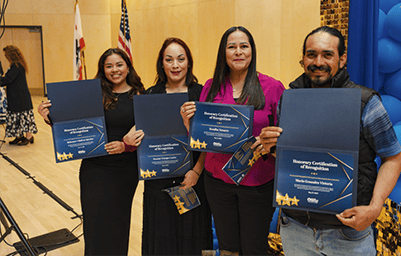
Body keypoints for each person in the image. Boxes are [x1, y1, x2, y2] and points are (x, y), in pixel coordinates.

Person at [259, 26, 401, 256]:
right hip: (295, 228)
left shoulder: (366, 102)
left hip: (348, 232)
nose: (318, 61)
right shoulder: (289, 100)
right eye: (311, 54)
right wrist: (272, 146)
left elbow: (393, 158)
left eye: (327, 54)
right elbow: (292, 158)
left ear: (342, 59)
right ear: (303, 58)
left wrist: (374, 208)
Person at [180, 26, 285, 256]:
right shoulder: (211, 86)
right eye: (232, 47)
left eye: (244, 46)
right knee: (228, 247)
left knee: (254, 248)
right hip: (218, 183)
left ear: (252, 51)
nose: (238, 52)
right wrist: (190, 126)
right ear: (224, 53)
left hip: (258, 184)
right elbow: (203, 138)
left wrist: (271, 140)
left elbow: (286, 135)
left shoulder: (273, 87)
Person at [38, 48, 144, 256]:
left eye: (119, 64)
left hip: (125, 170)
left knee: (118, 221)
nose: (115, 70)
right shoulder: (93, 93)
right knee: (95, 222)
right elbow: (73, 125)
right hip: (95, 168)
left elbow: (145, 130)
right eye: (109, 66)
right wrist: (48, 117)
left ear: (128, 66)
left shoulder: (139, 94)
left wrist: (126, 145)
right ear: (102, 69)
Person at [123, 37, 213, 255]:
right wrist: (129, 139)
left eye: (180, 59)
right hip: (158, 184)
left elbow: (208, 142)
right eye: (169, 59)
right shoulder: (150, 95)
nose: (175, 65)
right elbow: (140, 134)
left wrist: (195, 172)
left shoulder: (202, 94)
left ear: (189, 62)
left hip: (193, 181)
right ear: (161, 63)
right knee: (161, 241)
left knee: (193, 239)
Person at [0, 45, 37, 145]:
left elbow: (8, 79)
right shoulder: (16, 65)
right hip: (15, 96)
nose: (5, 57)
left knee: (23, 116)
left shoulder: (16, 66)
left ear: (10, 55)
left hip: (20, 96)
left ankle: (29, 137)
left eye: (6, 55)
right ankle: (19, 136)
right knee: (16, 116)